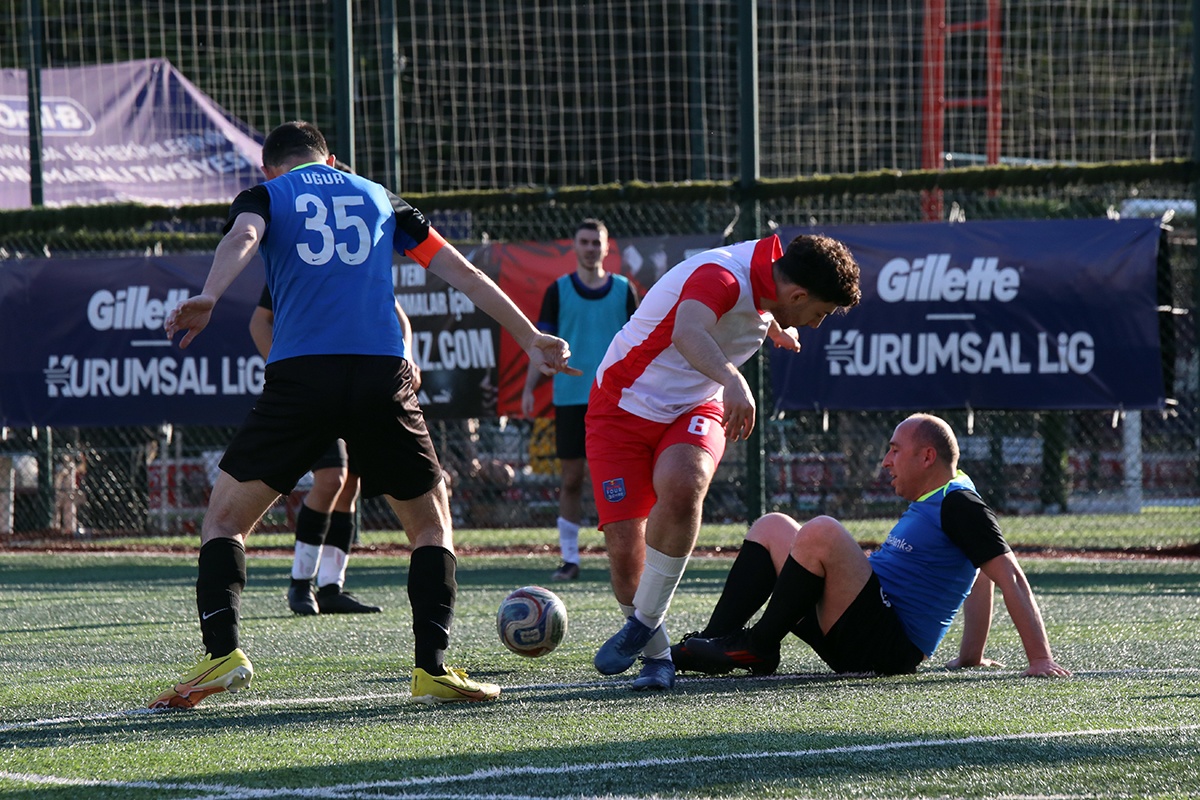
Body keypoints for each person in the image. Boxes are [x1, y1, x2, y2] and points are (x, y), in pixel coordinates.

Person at [150, 120, 577, 709]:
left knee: (224, 522)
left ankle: (222, 654)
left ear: (270, 169)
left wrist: (210, 294)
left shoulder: (266, 195)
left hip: (301, 375)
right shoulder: (379, 195)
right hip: (381, 372)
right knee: (431, 527)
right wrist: (530, 336)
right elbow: (465, 273)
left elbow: (244, 235)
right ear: (331, 159)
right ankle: (431, 668)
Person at [587, 233, 862, 691]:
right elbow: (688, 331)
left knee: (685, 482)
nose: (815, 324)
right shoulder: (721, 275)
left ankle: (643, 623)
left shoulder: (775, 280)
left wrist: (773, 328)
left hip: (696, 403)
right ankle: (657, 656)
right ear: (797, 296)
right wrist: (734, 378)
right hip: (620, 406)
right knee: (625, 551)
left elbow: (756, 304)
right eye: (819, 313)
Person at [675, 413, 1072, 679]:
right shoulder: (942, 495)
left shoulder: (960, 503)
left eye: (895, 450)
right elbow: (978, 574)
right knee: (771, 526)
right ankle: (712, 642)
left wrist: (1040, 658)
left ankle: (758, 646)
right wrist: (971, 656)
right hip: (863, 625)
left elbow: (1008, 576)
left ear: (927, 457)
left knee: (823, 531)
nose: (886, 461)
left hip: (886, 648)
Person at [249, 285, 421, 615]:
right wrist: (287, 369)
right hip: (314, 386)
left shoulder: (361, 264)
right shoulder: (299, 262)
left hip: (363, 384)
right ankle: (301, 583)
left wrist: (407, 357)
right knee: (332, 478)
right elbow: (259, 322)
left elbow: (399, 318)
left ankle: (330, 588)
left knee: (349, 485)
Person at [520, 219, 639, 582]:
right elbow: (542, 346)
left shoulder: (625, 290)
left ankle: (627, 556)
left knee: (619, 482)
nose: (590, 248)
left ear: (607, 247)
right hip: (571, 399)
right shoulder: (558, 291)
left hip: (616, 400)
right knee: (571, 479)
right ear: (574, 246)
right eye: (584, 242)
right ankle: (570, 558)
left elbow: (641, 344)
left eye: (595, 242)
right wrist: (528, 388)